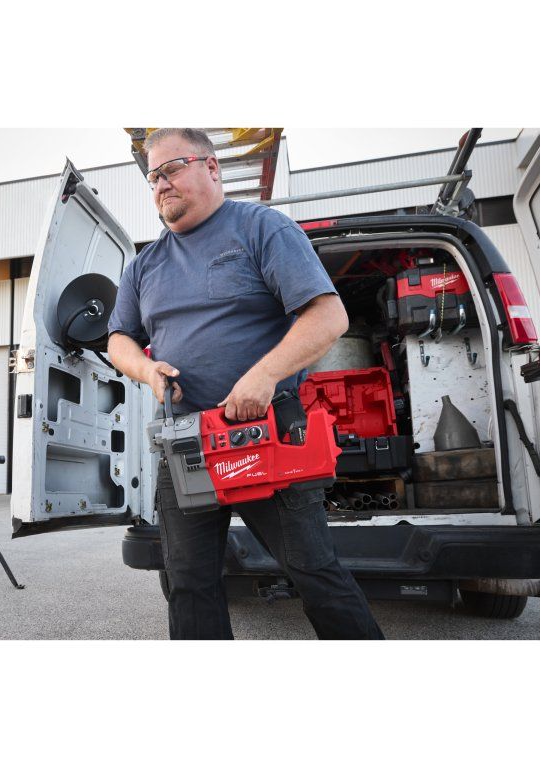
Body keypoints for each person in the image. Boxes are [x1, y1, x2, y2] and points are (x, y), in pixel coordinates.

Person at [107, 128, 384, 640]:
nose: (160, 184)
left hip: (264, 432)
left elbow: (329, 316)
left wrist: (264, 374)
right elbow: (118, 340)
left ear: (211, 168)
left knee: (314, 573)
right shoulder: (144, 265)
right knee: (189, 583)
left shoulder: (261, 228)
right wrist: (147, 371)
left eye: (172, 168)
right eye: (153, 176)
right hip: (187, 443)